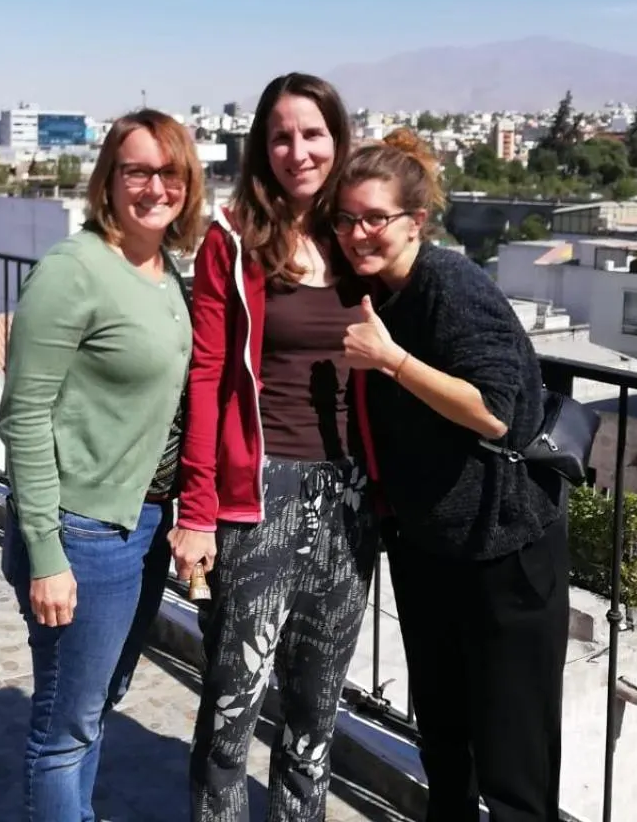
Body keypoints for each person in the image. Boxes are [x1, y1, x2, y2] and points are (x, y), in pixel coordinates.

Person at [335, 130, 568, 822]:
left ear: (415, 221)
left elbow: (494, 413)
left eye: (374, 218)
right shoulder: (384, 290)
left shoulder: (449, 285)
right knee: (444, 742)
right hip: (432, 545)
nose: (357, 233)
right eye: (345, 219)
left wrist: (390, 359)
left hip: (503, 548)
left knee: (513, 760)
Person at [172, 72, 381, 821]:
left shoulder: (361, 237)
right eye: (282, 135)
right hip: (260, 492)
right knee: (233, 706)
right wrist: (196, 511)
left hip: (352, 496)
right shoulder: (232, 242)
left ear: (337, 139)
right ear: (263, 147)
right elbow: (204, 376)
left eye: (313, 133)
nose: (299, 150)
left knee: (315, 718)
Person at [0, 109, 206, 821]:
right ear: (108, 180)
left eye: (168, 170)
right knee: (65, 728)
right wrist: (46, 555)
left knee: (99, 701)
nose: (154, 186)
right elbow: (23, 415)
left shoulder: (161, 269)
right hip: (81, 531)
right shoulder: (74, 269)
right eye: (137, 170)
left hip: (141, 521)